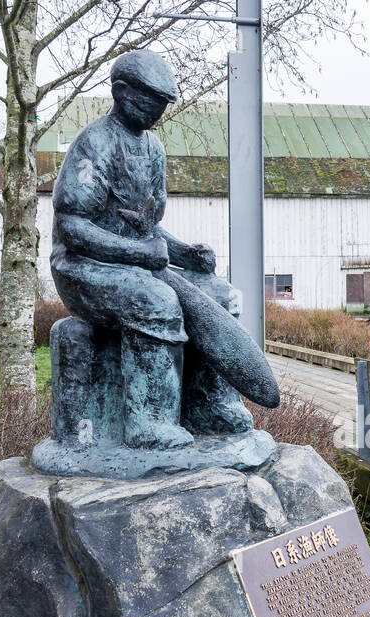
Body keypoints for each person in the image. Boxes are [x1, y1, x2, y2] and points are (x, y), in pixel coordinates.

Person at [50, 49, 252, 450]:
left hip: (136, 267)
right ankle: (150, 423)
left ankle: (206, 405)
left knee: (221, 294)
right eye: (150, 101)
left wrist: (184, 254)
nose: (157, 111)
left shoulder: (154, 150)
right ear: (122, 92)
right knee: (155, 301)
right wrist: (141, 255)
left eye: (163, 104)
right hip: (82, 268)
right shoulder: (95, 142)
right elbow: (72, 226)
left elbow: (144, 227)